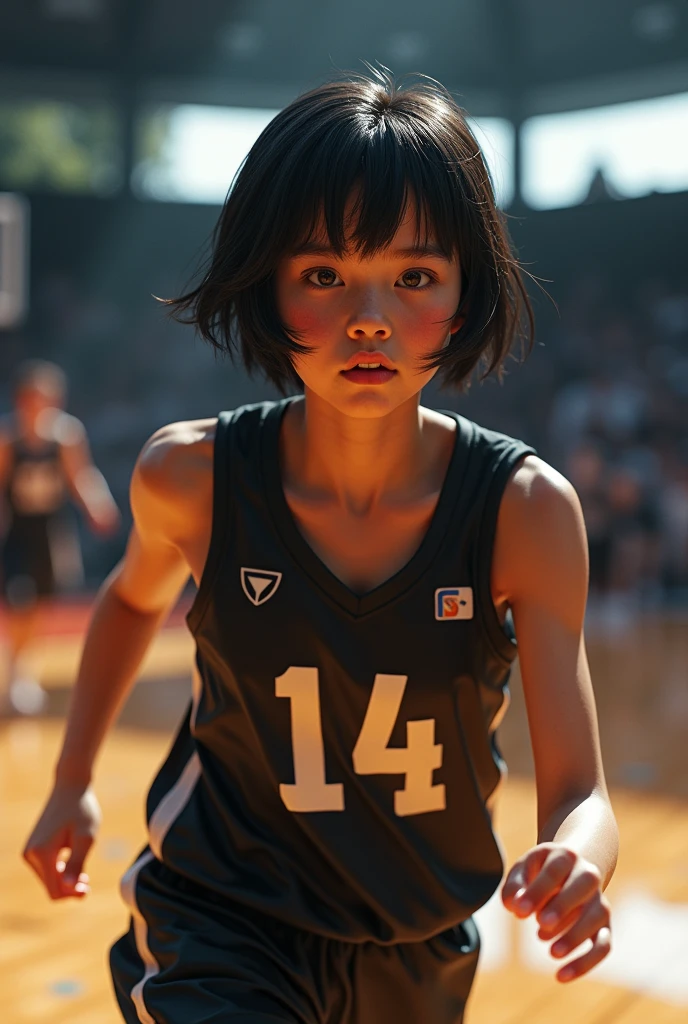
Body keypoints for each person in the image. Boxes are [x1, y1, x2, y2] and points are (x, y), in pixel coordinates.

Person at [23, 71, 617, 1024]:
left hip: (418, 942)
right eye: (324, 275)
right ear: (268, 286)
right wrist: (71, 784)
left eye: (414, 276)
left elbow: (579, 790)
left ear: (466, 294)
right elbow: (133, 600)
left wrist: (581, 856)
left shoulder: (526, 512)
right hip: (219, 920)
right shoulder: (191, 477)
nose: (369, 315)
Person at [0, 359, 120, 714]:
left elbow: (80, 476)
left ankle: (24, 661)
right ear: (20, 400)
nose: (39, 407)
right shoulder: (8, 439)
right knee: (18, 598)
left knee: (39, 602)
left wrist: (97, 504)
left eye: (46, 399)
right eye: (32, 399)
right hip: (18, 532)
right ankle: (18, 672)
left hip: (50, 533)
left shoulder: (67, 436)